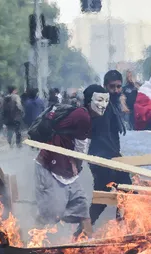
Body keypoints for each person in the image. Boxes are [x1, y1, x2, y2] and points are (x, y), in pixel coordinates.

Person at [35, 84, 109, 239]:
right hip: (50, 167)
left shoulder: (86, 116)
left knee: (81, 206)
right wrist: (78, 166)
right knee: (52, 213)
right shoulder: (83, 116)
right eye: (100, 100)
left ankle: (90, 241)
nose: (103, 105)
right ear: (89, 101)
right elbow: (81, 150)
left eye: (106, 100)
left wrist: (75, 168)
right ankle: (34, 240)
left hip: (67, 170)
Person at [89, 71, 132, 225]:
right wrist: (115, 158)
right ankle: (82, 231)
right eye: (112, 87)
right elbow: (102, 136)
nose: (116, 90)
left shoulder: (113, 105)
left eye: (119, 86)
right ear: (105, 86)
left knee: (123, 191)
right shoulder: (103, 107)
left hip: (109, 156)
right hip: (102, 157)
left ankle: (120, 224)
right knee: (105, 196)